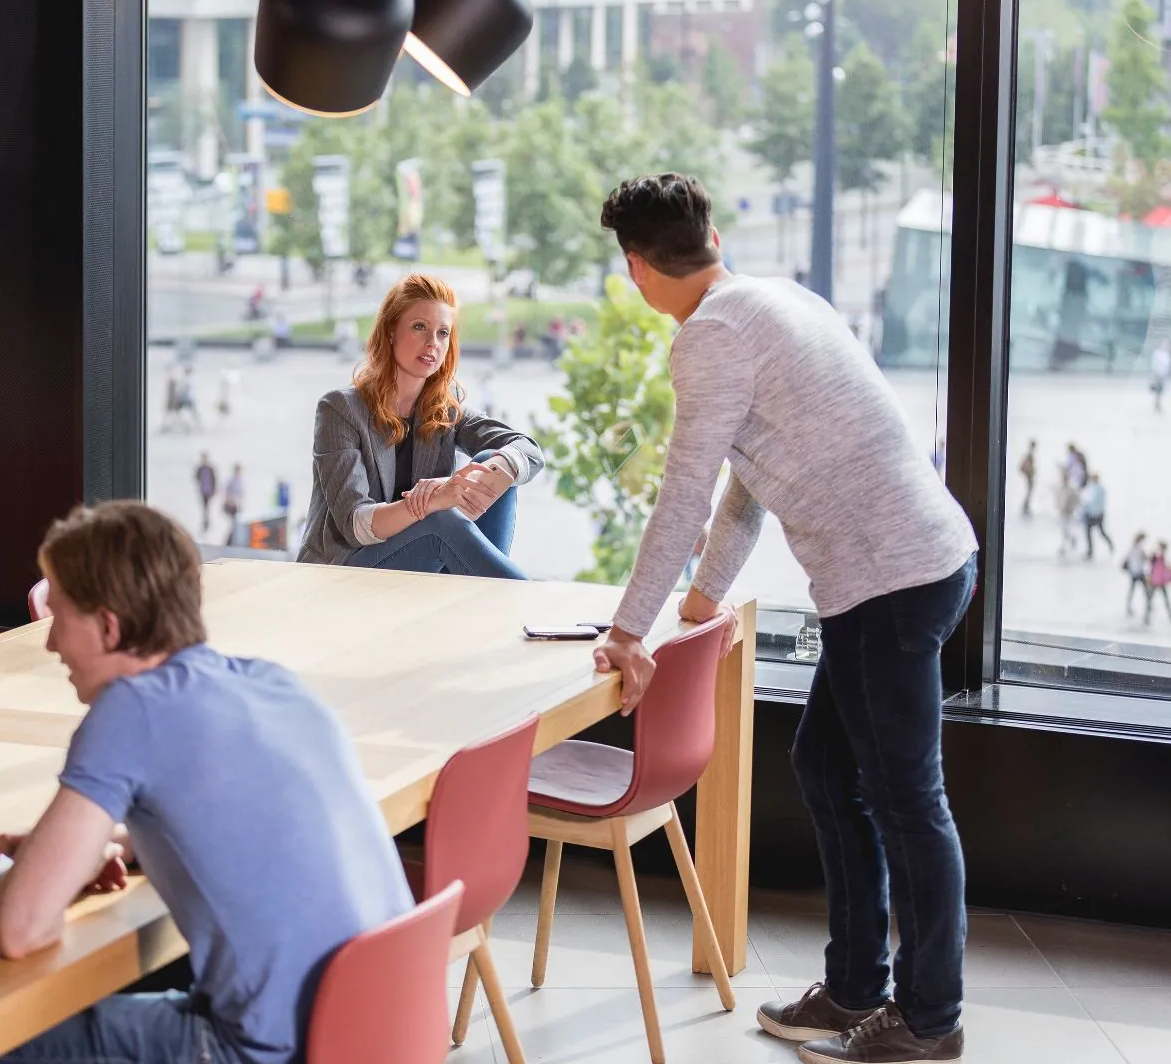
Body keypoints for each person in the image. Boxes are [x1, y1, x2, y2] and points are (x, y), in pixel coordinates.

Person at [592, 175, 976, 1064]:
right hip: (915, 564)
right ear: (715, 237)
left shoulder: (708, 341)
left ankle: (928, 1020)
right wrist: (699, 596)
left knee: (908, 800)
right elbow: (746, 480)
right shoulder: (775, 300)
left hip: (888, 581)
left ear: (637, 269)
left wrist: (627, 631)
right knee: (828, 764)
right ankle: (852, 989)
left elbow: (685, 495)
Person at [0, 501, 412, 1064]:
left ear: (109, 627)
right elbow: (241, 822)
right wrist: (72, 850)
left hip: (266, 1052)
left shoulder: (130, 710)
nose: (50, 643)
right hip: (380, 1031)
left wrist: (30, 871)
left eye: (58, 617)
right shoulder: (273, 685)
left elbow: (21, 930)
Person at [298, 273, 544, 579]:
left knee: (490, 466)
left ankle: (483, 599)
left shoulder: (444, 406)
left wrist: (502, 464)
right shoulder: (340, 409)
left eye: (443, 333)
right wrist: (434, 500)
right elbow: (355, 525)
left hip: (418, 568)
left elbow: (527, 450)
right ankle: (522, 601)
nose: (432, 343)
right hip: (346, 572)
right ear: (390, 331)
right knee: (441, 522)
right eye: (419, 327)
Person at [1079, 473, 1113, 561]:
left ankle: (1110, 544)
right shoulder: (1090, 487)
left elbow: (1093, 502)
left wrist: (1086, 506)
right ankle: (1090, 551)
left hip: (1096, 514)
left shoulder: (1099, 489)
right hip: (1092, 513)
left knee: (1100, 532)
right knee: (1088, 533)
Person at [1123, 532, 1151, 619]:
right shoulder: (1139, 548)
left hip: (1133, 572)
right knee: (1145, 590)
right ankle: (1148, 606)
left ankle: (1129, 606)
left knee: (1132, 590)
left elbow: (1127, 558)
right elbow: (1146, 558)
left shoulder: (1133, 547)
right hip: (1139, 572)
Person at [1147, 540, 1171, 624]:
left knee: (1154, 599)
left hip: (1159, 582)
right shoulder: (1157, 556)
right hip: (1156, 581)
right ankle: (1147, 617)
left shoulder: (1160, 557)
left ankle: (1147, 617)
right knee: (1151, 599)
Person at [195, 453, 218, 535]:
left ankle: (207, 520)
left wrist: (214, 490)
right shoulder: (200, 468)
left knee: (207, 506)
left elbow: (214, 480)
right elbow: (196, 477)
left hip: (209, 490)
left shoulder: (210, 469)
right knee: (204, 506)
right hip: (203, 490)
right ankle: (205, 520)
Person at [223, 463, 245, 543]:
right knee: (234, 523)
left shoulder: (240, 480)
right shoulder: (231, 480)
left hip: (237, 505)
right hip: (230, 505)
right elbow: (226, 492)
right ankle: (229, 540)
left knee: (235, 524)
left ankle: (231, 540)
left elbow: (241, 494)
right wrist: (230, 500)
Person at [1018, 440, 1037, 517]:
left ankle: (1026, 507)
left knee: (1029, 492)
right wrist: (1030, 472)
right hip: (1029, 476)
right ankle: (1025, 508)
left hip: (1029, 476)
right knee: (1028, 493)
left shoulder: (1029, 454)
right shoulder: (1029, 455)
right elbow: (1028, 466)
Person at [1151, 339, 1170, 413]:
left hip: (1164, 374)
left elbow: (1167, 365)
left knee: (1161, 390)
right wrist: (1155, 373)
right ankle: (1158, 404)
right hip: (1158, 373)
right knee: (1158, 389)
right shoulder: (1157, 353)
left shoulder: (1167, 354)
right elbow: (1154, 364)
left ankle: (1157, 403)